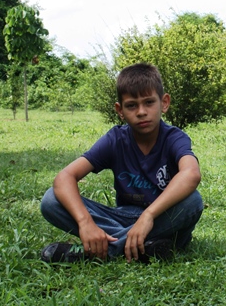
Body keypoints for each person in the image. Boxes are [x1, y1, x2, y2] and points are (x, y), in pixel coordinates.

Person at [40, 63, 203, 263]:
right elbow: (64, 177)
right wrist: (85, 223)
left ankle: (95, 253)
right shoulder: (115, 140)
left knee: (193, 201)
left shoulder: (174, 138)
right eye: (132, 105)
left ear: (165, 102)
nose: (141, 112)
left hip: (164, 219)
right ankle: (145, 248)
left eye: (149, 102)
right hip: (124, 218)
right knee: (51, 200)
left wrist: (148, 216)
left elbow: (191, 174)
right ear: (120, 110)